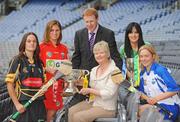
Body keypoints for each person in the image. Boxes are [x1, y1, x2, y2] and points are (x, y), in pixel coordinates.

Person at [71, 7, 122, 105]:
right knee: (74, 108)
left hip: (101, 80)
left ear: (97, 19)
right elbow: (76, 57)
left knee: (95, 109)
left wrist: (116, 75)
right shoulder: (79, 34)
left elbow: (115, 56)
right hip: (83, 80)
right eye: (86, 22)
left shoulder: (108, 34)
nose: (89, 24)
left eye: (91, 21)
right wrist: (74, 76)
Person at [68, 41, 122, 122]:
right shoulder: (94, 70)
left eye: (101, 53)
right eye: (96, 53)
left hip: (107, 108)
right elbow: (91, 86)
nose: (98, 55)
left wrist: (89, 90)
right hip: (93, 102)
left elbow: (108, 93)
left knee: (78, 117)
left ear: (108, 54)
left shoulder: (115, 71)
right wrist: (79, 83)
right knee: (71, 111)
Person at [5, 32, 46, 121]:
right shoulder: (17, 60)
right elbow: (9, 84)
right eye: (29, 41)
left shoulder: (40, 63)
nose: (32, 43)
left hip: (39, 105)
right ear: (24, 43)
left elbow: (42, 83)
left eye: (34, 41)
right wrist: (17, 104)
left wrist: (43, 88)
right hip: (23, 104)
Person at [138, 44, 180, 121]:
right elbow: (141, 93)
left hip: (169, 106)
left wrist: (155, 99)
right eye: (141, 56)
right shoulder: (142, 74)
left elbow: (175, 89)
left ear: (153, 56)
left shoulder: (160, 70)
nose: (143, 59)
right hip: (155, 105)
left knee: (144, 112)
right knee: (136, 111)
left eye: (146, 56)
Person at [40, 20, 69, 122]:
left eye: (57, 30)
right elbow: (35, 66)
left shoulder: (64, 49)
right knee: (48, 114)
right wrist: (46, 68)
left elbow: (66, 68)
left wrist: (66, 81)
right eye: (52, 30)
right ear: (47, 32)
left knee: (55, 114)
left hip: (59, 87)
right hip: (45, 86)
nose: (55, 33)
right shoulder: (41, 47)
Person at [119, 22, 149, 88]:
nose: (133, 35)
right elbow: (122, 67)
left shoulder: (147, 46)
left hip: (146, 81)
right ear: (127, 35)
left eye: (136, 32)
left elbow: (154, 62)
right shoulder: (122, 49)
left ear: (139, 34)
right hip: (131, 83)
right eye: (131, 33)